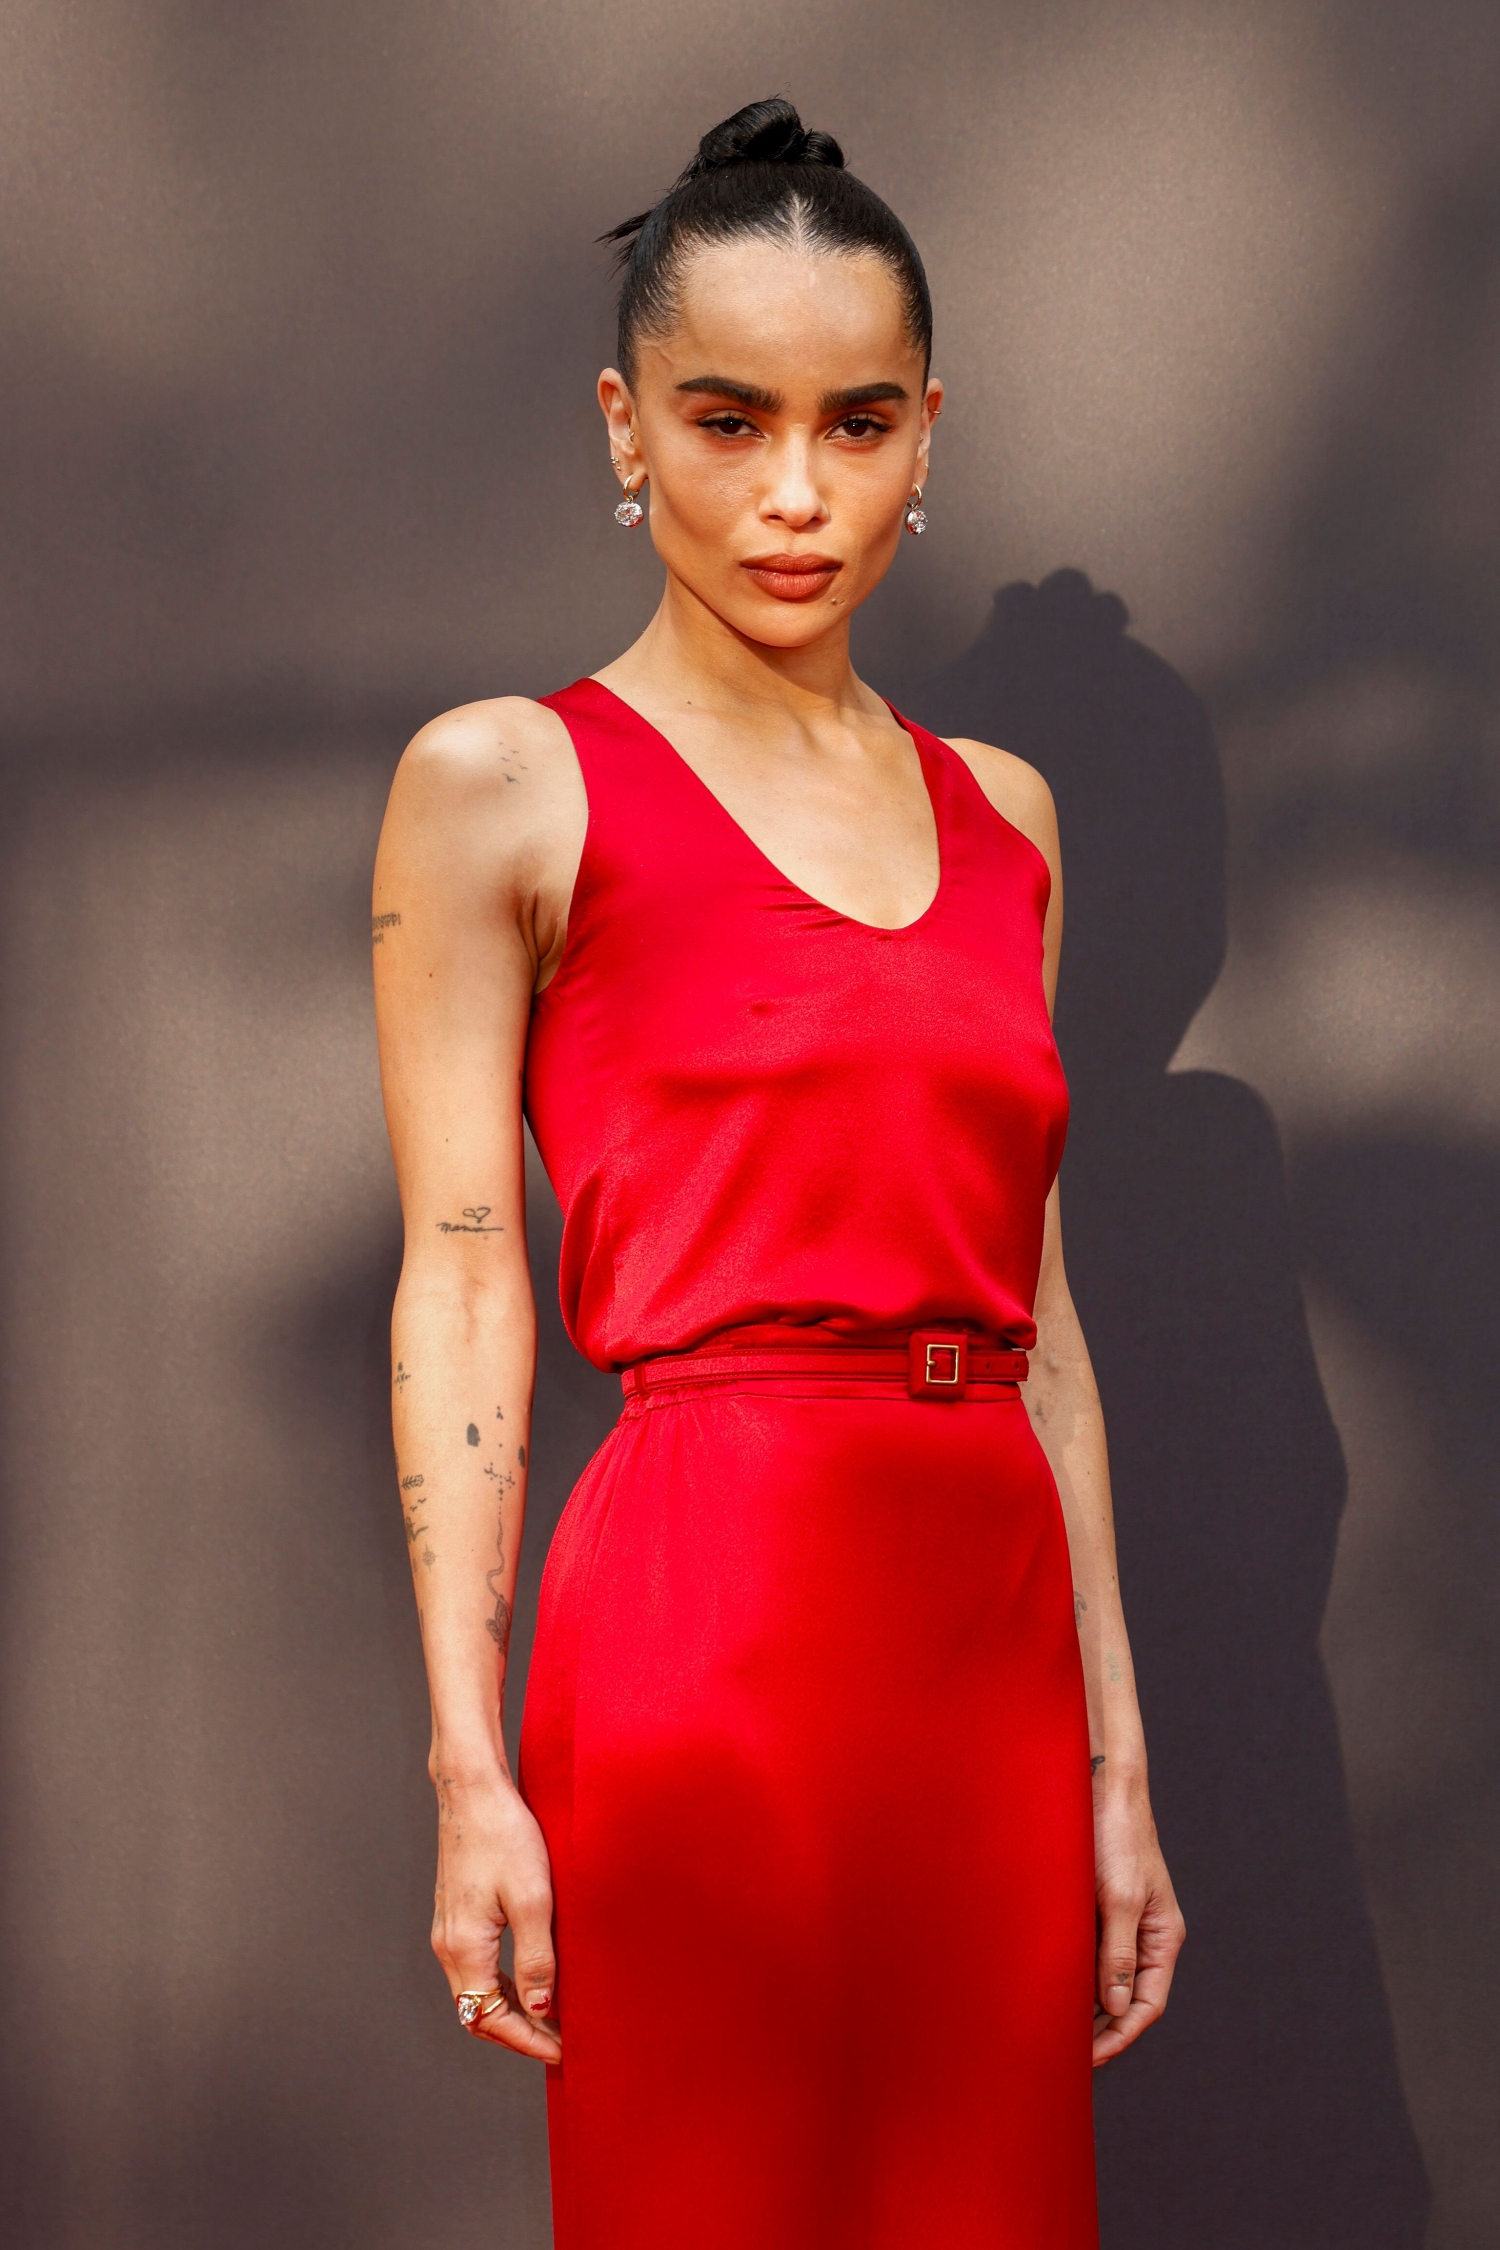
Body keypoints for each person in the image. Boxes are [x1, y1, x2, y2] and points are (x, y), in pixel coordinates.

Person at [372, 95, 1184, 2250]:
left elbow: (1045, 1327)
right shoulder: (502, 783)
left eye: (860, 423)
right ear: (625, 427)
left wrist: (1116, 1762)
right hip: (700, 1639)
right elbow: (462, 1273)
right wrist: (468, 1766)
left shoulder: (1009, 819)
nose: (798, 492)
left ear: (931, 436)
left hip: (989, 1649)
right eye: (730, 421)